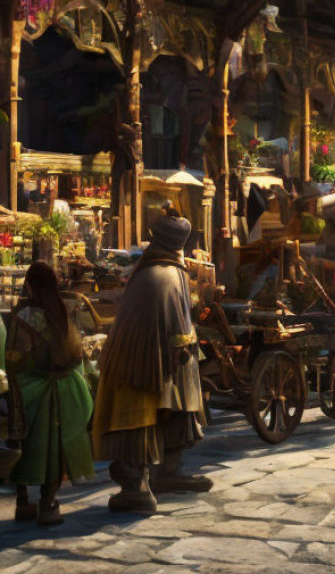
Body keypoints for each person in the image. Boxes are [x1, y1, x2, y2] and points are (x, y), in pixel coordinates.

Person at [92, 212, 210, 514]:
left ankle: (161, 475)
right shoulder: (170, 275)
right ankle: (139, 487)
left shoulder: (152, 271)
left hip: (137, 360)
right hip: (142, 365)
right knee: (140, 421)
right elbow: (180, 334)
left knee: (156, 411)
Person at [5, 262, 94, 526]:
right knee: (58, 449)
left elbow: (15, 358)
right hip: (66, 389)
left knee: (27, 446)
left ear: (30, 285)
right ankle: (48, 503)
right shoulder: (62, 311)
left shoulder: (25, 317)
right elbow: (75, 354)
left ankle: (23, 500)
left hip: (33, 391)